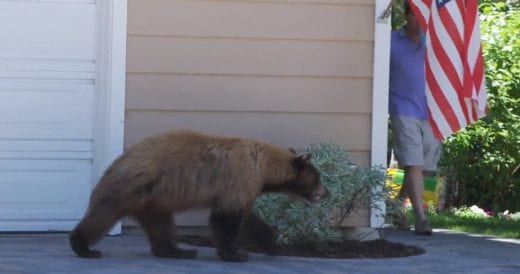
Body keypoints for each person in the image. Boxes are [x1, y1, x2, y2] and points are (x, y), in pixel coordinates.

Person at [388, 1, 441, 235]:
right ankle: (421, 217)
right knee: (413, 161)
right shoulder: (390, 41)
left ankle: (396, 206)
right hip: (402, 107)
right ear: (406, 15)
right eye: (415, 16)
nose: (419, 22)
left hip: (431, 111)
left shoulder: (436, 42)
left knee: (425, 166)